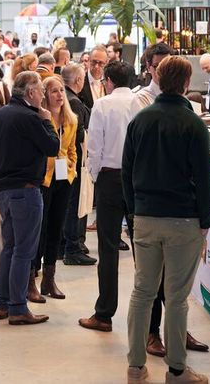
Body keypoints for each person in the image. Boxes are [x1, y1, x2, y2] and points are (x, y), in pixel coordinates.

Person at [124, 55, 210, 384]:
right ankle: (176, 370)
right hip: (183, 220)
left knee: (142, 292)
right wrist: (205, 219)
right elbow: (204, 177)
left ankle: (135, 367)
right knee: (176, 297)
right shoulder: (193, 123)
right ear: (186, 84)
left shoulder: (140, 120)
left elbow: (126, 172)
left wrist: (134, 211)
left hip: (146, 217)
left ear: (159, 80)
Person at [0, 71, 60, 325]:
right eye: (41, 90)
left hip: (4, 191)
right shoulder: (31, 118)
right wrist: (47, 121)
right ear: (30, 92)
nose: (43, 95)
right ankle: (18, 307)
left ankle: (1, 304)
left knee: (9, 248)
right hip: (26, 191)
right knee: (23, 251)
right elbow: (53, 147)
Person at [79, 61, 136, 334]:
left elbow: (95, 145)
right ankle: (147, 320)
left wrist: (95, 176)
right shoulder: (141, 103)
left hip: (110, 178)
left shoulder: (102, 105)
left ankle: (104, 313)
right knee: (142, 248)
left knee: (108, 247)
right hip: (136, 179)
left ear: (109, 80)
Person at [28, 76, 78, 303]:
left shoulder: (71, 119)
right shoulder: (39, 119)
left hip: (63, 178)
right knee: (39, 229)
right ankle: (30, 279)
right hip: (43, 179)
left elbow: (72, 149)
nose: (59, 95)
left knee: (56, 228)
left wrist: (71, 168)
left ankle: (49, 279)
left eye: (61, 91)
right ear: (45, 95)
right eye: (54, 91)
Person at [60, 63, 96, 266]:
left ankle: (66, 245)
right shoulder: (74, 102)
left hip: (64, 160)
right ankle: (72, 248)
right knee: (75, 203)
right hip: (74, 160)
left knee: (68, 201)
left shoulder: (65, 97)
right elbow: (78, 134)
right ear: (78, 80)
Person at [133, 43, 173, 113]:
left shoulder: (179, 95)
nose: (163, 71)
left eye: (167, 66)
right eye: (157, 66)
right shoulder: (142, 98)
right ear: (148, 67)